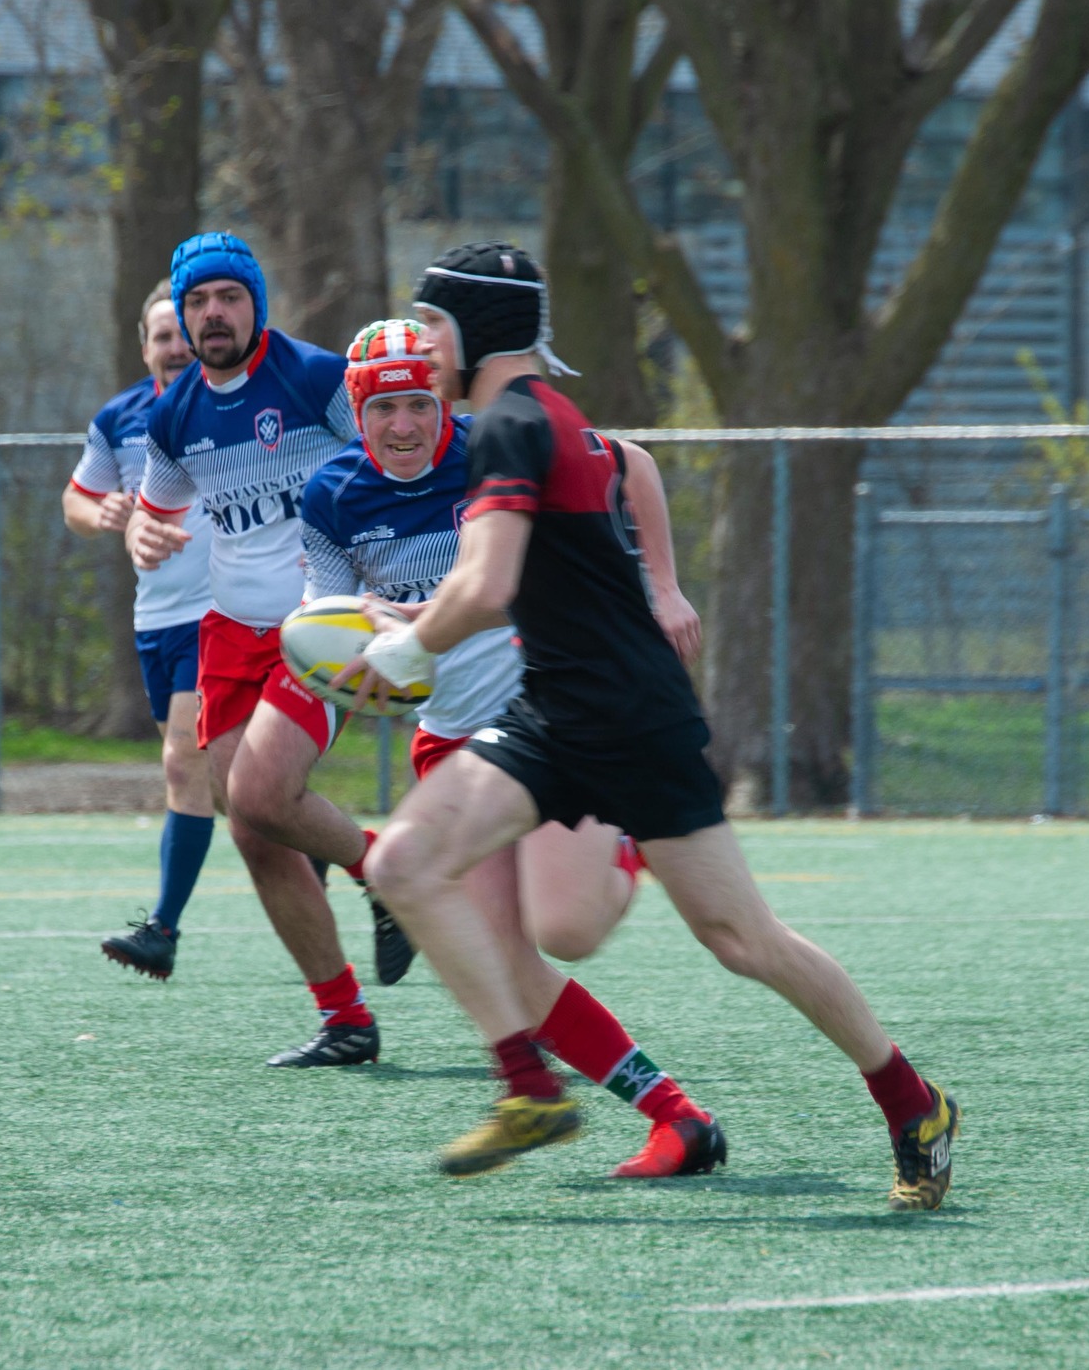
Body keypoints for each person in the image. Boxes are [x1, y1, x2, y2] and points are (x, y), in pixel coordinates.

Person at [360, 243, 960, 1207]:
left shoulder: (515, 421)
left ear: (477, 328)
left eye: (432, 324)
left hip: (634, 718)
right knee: (400, 864)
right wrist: (419, 625)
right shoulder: (522, 422)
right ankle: (529, 1087)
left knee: (742, 938)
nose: (420, 342)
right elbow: (505, 578)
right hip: (554, 710)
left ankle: (912, 1099)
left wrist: (409, 648)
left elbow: (491, 583)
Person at [306, 319, 722, 1177]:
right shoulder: (335, 495)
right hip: (450, 740)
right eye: (385, 409)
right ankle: (677, 1118)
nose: (406, 424)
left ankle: (622, 839)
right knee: (509, 963)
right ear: (360, 414)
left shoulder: (492, 444)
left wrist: (664, 584)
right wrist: (363, 667)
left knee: (565, 928)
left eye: (420, 402)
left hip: (544, 721)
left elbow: (628, 460)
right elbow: (333, 632)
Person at [123, 233, 410, 1067]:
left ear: (257, 304)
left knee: (263, 791)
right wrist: (144, 530)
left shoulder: (316, 378)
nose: (213, 314)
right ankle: (346, 1018)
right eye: (198, 300)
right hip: (228, 633)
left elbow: (398, 461)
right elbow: (159, 509)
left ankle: (384, 870)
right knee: (250, 824)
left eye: (229, 297)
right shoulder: (173, 414)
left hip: (321, 628)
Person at [66, 279, 215, 980]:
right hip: (156, 615)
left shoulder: (232, 409)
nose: (175, 347)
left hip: (221, 613)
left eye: (183, 333)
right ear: (144, 347)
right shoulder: (120, 417)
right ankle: (361, 860)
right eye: (162, 336)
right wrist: (104, 516)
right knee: (239, 787)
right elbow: (76, 496)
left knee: (184, 766)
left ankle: (162, 928)